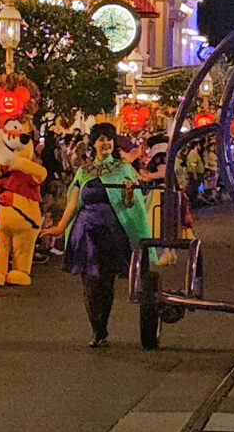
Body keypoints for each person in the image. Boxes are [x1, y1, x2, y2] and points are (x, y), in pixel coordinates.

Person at [41, 123, 152, 347]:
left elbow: (130, 204)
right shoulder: (84, 172)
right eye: (101, 139)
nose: (106, 143)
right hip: (86, 233)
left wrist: (130, 193)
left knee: (106, 282)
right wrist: (60, 228)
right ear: (94, 144)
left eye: (109, 139)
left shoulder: (124, 169)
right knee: (90, 282)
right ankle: (97, 328)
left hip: (111, 232)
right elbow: (74, 203)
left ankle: (102, 325)